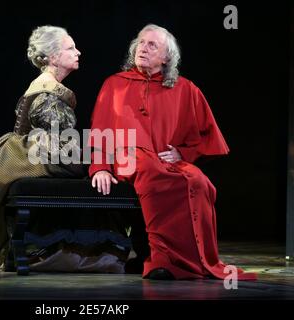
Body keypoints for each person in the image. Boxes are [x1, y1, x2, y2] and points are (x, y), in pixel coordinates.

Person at [88, 24, 257, 280]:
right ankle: (161, 259)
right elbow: (99, 130)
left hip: (164, 160)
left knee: (199, 181)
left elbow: (206, 136)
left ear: (166, 57)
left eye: (151, 45)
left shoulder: (185, 89)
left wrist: (182, 154)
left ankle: (197, 260)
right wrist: (99, 166)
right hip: (130, 159)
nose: (142, 48)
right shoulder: (114, 85)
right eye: (141, 42)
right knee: (154, 172)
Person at [0, 25, 130, 272]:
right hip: (32, 159)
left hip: (27, 156)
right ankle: (92, 249)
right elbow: (64, 153)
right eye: (70, 48)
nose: (78, 52)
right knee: (101, 173)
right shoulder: (49, 95)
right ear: (53, 57)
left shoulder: (42, 86)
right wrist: (104, 163)